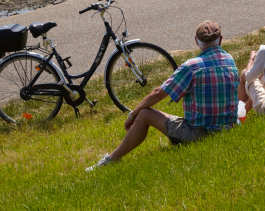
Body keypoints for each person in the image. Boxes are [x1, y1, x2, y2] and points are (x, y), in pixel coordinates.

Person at [86, 20, 238, 171]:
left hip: (199, 133)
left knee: (145, 114)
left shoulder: (192, 66)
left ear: (197, 42)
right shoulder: (230, 60)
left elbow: (159, 93)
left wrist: (133, 114)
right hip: (227, 129)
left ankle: (112, 159)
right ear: (221, 40)